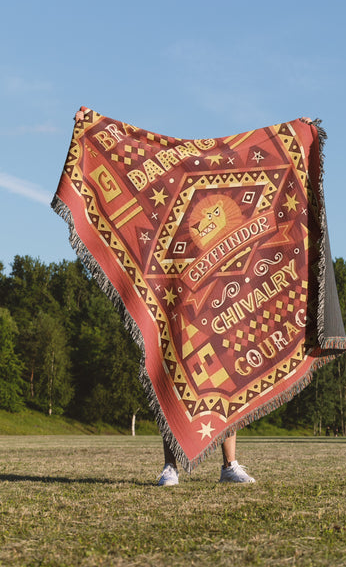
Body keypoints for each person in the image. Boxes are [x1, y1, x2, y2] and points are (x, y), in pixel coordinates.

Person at [74, 109, 312, 485]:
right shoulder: (173, 208)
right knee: (173, 376)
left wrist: (299, 130)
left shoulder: (225, 201)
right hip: (178, 303)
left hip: (219, 297)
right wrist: (91, 126)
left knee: (229, 373)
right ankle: (171, 466)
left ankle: (229, 465)